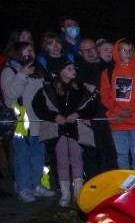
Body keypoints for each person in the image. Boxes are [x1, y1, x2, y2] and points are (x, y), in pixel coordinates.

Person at [32, 60, 98, 206]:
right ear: (61, 72)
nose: (73, 70)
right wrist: (54, 116)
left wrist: (78, 114)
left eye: (73, 67)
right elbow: (39, 107)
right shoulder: (48, 89)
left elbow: (92, 106)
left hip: (76, 130)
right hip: (59, 130)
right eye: (69, 68)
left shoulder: (82, 88)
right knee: (62, 161)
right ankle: (65, 193)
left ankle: (78, 192)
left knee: (77, 159)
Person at [1, 42, 56, 203]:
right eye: (28, 51)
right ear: (18, 52)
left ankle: (37, 184)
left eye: (33, 51)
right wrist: (22, 74)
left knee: (38, 155)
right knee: (22, 157)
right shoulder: (9, 70)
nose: (32, 54)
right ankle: (24, 188)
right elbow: (10, 95)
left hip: (38, 120)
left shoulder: (37, 69)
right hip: (21, 123)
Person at [101, 38, 135, 172]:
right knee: (121, 154)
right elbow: (105, 96)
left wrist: (129, 109)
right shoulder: (108, 73)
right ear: (116, 52)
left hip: (134, 120)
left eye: (130, 51)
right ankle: (125, 181)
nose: (127, 54)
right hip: (116, 121)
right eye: (124, 50)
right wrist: (118, 111)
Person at [75, 37, 117, 177]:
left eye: (92, 48)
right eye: (85, 50)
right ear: (80, 53)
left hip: (110, 116)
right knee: (91, 155)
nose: (90, 52)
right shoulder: (76, 71)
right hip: (88, 120)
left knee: (111, 152)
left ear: (97, 49)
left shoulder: (110, 67)